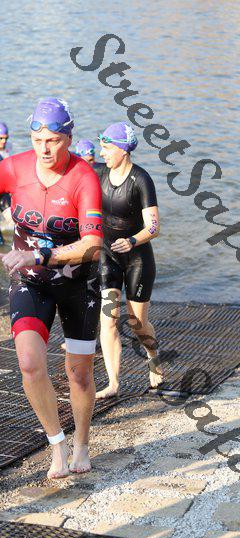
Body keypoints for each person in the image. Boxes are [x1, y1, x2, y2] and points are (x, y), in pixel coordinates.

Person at [0, 97, 103, 479]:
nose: (44, 149)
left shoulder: (84, 177)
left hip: (79, 284)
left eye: (53, 140)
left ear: (69, 138)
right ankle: (57, 444)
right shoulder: (13, 167)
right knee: (30, 364)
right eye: (37, 140)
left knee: (78, 373)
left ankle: (82, 444)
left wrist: (40, 255)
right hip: (30, 281)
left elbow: (92, 245)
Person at [95, 122, 163, 399]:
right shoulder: (99, 174)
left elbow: (154, 227)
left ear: (123, 150)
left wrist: (133, 240)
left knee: (137, 324)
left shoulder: (141, 179)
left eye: (107, 148)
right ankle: (113, 383)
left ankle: (153, 357)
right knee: (108, 320)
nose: (101, 153)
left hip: (137, 259)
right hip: (107, 256)